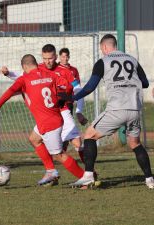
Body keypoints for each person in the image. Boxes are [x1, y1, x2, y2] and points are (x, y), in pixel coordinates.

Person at [64, 34, 154, 189]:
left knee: (89, 135)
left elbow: (90, 87)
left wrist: (72, 97)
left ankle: (88, 175)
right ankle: (149, 179)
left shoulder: (103, 62)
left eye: (101, 49)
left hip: (117, 108)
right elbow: (145, 83)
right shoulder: (132, 60)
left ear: (105, 47)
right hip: (134, 109)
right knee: (135, 143)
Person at [0, 54, 85, 186]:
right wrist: (63, 96)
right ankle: (51, 171)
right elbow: (67, 87)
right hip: (55, 117)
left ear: (24, 66)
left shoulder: (24, 79)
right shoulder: (50, 75)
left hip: (48, 124)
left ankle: (86, 177)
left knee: (59, 155)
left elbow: (10, 91)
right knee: (34, 139)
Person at [58, 48, 88, 126]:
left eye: (66, 56)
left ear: (69, 57)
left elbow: (77, 88)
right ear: (59, 57)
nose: (65, 58)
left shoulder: (73, 70)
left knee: (68, 126)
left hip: (68, 102)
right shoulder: (55, 69)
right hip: (57, 103)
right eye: (63, 56)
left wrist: (78, 111)